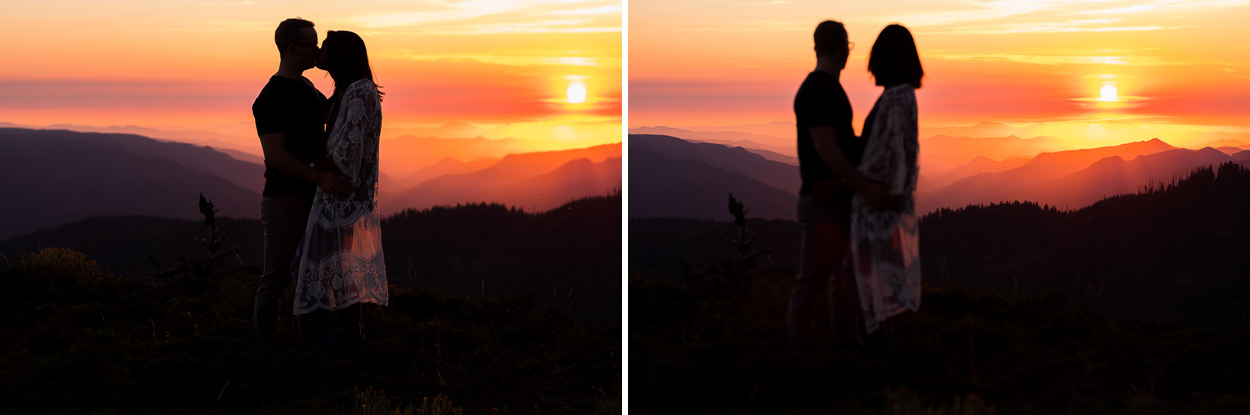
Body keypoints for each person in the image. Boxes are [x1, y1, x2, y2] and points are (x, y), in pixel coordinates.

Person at [786, 20, 890, 348]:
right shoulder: (820, 90)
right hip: (823, 203)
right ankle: (795, 353)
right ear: (843, 48)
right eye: (848, 47)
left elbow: (838, 143)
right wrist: (861, 184)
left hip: (833, 198)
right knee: (813, 280)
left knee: (842, 277)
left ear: (817, 47)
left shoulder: (823, 87)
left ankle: (843, 342)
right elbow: (827, 147)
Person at [252, 17, 353, 347]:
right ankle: (263, 348)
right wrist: (319, 176)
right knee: (276, 278)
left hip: (311, 195)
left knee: (312, 273)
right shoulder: (271, 97)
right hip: (285, 198)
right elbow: (276, 156)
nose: (318, 50)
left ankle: (306, 348)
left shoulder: (306, 88)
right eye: (313, 44)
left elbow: (325, 116)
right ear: (293, 48)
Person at [292, 30, 389, 351]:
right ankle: (351, 345)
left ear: (341, 55)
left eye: (326, 47)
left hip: (339, 198)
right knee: (337, 272)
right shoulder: (350, 91)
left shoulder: (359, 93)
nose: (319, 50)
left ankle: (326, 351)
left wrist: (304, 163)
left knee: (314, 273)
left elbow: (346, 156)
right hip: (339, 197)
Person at [847, 24, 923, 340]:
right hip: (891, 204)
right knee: (881, 283)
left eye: (874, 61)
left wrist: (856, 178)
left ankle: (876, 357)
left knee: (865, 282)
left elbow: (886, 154)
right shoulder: (906, 96)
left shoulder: (894, 99)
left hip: (877, 207)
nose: (869, 70)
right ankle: (885, 351)